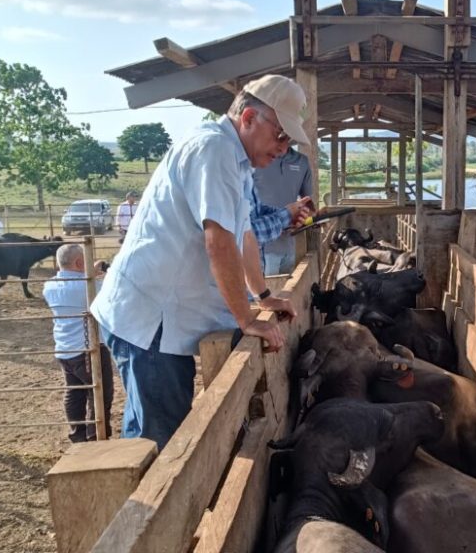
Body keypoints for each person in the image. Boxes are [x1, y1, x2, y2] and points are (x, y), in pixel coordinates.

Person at [90, 74, 313, 450]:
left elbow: (242, 235)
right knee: (160, 443)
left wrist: (262, 294)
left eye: (289, 140)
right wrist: (245, 319)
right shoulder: (214, 151)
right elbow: (219, 241)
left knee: (154, 431)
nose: (283, 148)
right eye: (280, 135)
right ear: (248, 119)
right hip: (153, 323)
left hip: (163, 318)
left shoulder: (238, 163)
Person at [43, 244, 114, 442]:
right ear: (79, 262)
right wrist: (98, 274)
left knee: (74, 392)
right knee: (99, 393)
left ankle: (78, 435)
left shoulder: (49, 286)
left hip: (65, 349)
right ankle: (96, 437)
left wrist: (89, 272)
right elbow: (110, 292)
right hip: (88, 349)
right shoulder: (88, 287)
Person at [252, 147, 313, 275]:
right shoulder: (255, 160)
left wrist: (304, 217)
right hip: (260, 248)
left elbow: (308, 204)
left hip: (288, 244)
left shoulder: (301, 161)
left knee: (285, 291)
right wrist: (286, 215)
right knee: (264, 291)